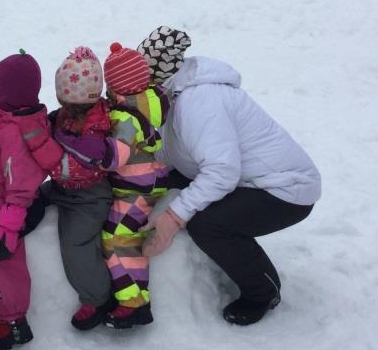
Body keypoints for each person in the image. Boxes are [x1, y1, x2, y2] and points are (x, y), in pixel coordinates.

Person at [138, 26, 322, 325]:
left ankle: (263, 292)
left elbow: (222, 170)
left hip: (285, 189)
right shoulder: (171, 95)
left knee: (209, 225)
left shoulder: (198, 102)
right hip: (242, 177)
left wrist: (173, 217)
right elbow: (175, 150)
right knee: (164, 183)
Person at [0, 50, 61, 350]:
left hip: (19, 206)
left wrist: (9, 228)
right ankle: (7, 317)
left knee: (0, 252)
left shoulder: (15, 131)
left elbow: (21, 185)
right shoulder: (9, 120)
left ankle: (14, 322)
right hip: (5, 200)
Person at [23, 47, 116, 330]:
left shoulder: (96, 132)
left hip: (89, 197)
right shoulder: (66, 113)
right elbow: (52, 127)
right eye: (63, 104)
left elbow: (68, 166)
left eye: (72, 107)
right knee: (30, 200)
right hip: (63, 189)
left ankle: (98, 297)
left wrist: (40, 145)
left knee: (76, 243)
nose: (67, 112)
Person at [97, 42, 172, 329]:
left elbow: (115, 157)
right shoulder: (152, 100)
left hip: (136, 190)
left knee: (117, 239)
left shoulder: (125, 118)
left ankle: (133, 302)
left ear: (116, 89)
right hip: (149, 181)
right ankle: (133, 297)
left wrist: (94, 150)